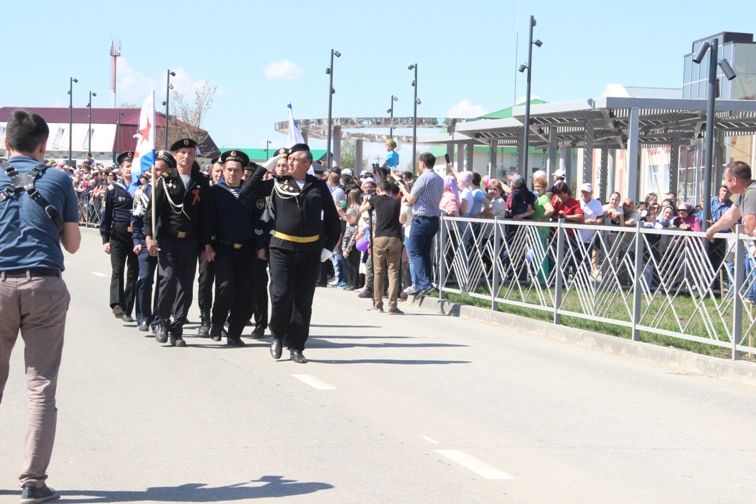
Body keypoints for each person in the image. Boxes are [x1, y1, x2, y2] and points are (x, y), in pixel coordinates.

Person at [0, 110, 81, 503]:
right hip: (44, 284)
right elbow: (73, 243)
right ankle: (33, 482)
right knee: (40, 387)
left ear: (6, 144)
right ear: (43, 145)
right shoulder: (59, 179)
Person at [240, 143, 341, 363]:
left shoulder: (318, 186)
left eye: (294, 159)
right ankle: (277, 334)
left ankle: (297, 345)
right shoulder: (277, 183)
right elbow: (246, 191)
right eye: (287, 159)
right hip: (281, 248)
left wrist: (328, 248)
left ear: (306, 163)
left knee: (303, 301)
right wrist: (267, 166)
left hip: (310, 251)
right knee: (281, 295)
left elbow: (334, 221)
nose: (289, 162)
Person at [144, 138, 216, 347]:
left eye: (190, 152)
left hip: (190, 241)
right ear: (175, 156)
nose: (187, 156)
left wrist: (206, 243)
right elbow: (152, 211)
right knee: (167, 278)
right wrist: (149, 236)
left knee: (185, 284)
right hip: (167, 238)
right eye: (183, 152)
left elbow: (206, 216)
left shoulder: (201, 182)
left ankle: (177, 328)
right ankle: (162, 321)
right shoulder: (165, 180)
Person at [209, 150, 256, 346]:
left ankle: (234, 332)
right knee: (226, 287)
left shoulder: (250, 193)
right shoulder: (215, 192)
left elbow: (259, 220)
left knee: (245, 292)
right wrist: (208, 244)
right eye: (228, 170)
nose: (231, 174)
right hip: (223, 248)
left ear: (243, 172)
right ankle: (217, 324)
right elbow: (208, 221)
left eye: (236, 170)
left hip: (246, 249)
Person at [706, 161, 756, 302]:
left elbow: (750, 227)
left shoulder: (751, 192)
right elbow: (730, 216)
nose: (725, 185)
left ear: (734, 180)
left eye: (726, 180)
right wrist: (712, 230)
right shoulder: (745, 192)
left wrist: (738, 229)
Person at [397, 152, 444, 301]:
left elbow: (411, 199)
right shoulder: (439, 179)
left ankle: (424, 283)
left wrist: (403, 189)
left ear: (422, 163)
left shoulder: (423, 178)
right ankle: (423, 283)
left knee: (414, 252)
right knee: (424, 253)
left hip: (421, 219)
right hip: (434, 219)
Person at [100, 151, 139, 323]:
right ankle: (117, 304)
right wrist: (105, 240)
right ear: (121, 170)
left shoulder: (142, 188)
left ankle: (128, 309)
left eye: (132, 166)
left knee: (133, 273)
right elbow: (106, 216)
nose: (130, 169)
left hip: (136, 237)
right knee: (117, 270)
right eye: (127, 166)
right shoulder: (113, 189)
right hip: (117, 236)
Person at [361, 180, 404, 314]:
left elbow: (361, 210)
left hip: (380, 237)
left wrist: (367, 199)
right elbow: (402, 219)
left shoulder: (375, 199)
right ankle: (393, 305)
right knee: (393, 272)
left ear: (379, 189)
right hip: (395, 238)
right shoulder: (396, 202)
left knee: (378, 271)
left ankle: (378, 304)